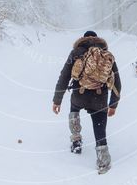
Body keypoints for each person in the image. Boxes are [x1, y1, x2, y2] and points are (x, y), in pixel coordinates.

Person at [52, 30, 121, 174]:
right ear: (97, 38)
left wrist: (57, 100)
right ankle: (103, 163)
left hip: (79, 95)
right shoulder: (106, 54)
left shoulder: (76, 52)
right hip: (99, 98)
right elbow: (117, 82)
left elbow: (64, 76)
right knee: (99, 128)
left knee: (74, 110)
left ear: (83, 38)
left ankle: (76, 141)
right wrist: (113, 104)